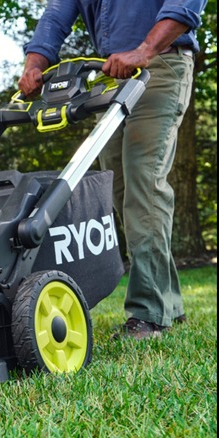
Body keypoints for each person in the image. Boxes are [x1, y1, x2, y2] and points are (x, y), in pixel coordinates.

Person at [18, 0, 207, 339]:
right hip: (111, 75)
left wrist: (144, 50)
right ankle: (170, 305)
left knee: (143, 185)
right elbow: (56, 15)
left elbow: (185, 4)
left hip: (160, 64)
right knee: (119, 194)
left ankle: (149, 314)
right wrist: (34, 64)